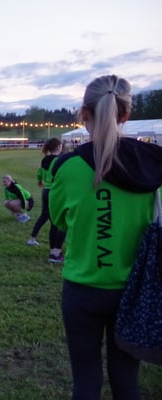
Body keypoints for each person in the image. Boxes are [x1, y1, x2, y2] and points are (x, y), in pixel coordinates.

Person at [50, 75, 162, 399]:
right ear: (125, 114)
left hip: (82, 290)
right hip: (133, 291)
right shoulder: (152, 164)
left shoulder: (67, 166)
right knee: (126, 382)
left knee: (85, 381)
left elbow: (58, 219)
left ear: (83, 113)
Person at [26, 138, 67, 263]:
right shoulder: (58, 160)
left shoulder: (45, 160)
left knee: (48, 219)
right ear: (58, 146)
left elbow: (40, 173)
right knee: (60, 223)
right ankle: (55, 253)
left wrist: (40, 181)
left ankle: (51, 250)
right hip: (55, 192)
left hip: (46, 191)